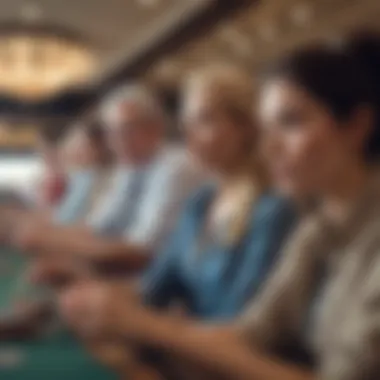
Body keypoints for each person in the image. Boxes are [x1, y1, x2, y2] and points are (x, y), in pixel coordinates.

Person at [57, 32, 380, 380]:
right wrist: (127, 324)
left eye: (290, 122)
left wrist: (147, 329)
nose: (268, 147)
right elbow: (250, 332)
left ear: (357, 126)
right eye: (267, 127)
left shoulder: (291, 213)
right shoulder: (317, 227)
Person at [49, 64, 296, 377]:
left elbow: (242, 328)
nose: (189, 134)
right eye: (186, 122)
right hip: (182, 354)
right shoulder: (200, 201)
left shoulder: (274, 209)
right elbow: (156, 286)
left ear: (246, 126)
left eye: (204, 119)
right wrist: (88, 296)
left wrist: (147, 331)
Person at [13, 84, 204, 273]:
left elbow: (142, 252)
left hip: (172, 279)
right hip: (138, 271)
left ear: (156, 128)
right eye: (113, 132)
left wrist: (52, 239)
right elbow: (99, 227)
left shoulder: (176, 168)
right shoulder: (130, 169)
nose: (119, 141)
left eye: (128, 129)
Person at [55, 119, 112, 224]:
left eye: (82, 145)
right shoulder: (80, 176)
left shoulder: (97, 178)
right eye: (75, 143)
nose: (75, 149)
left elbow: (74, 219)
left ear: (99, 148)